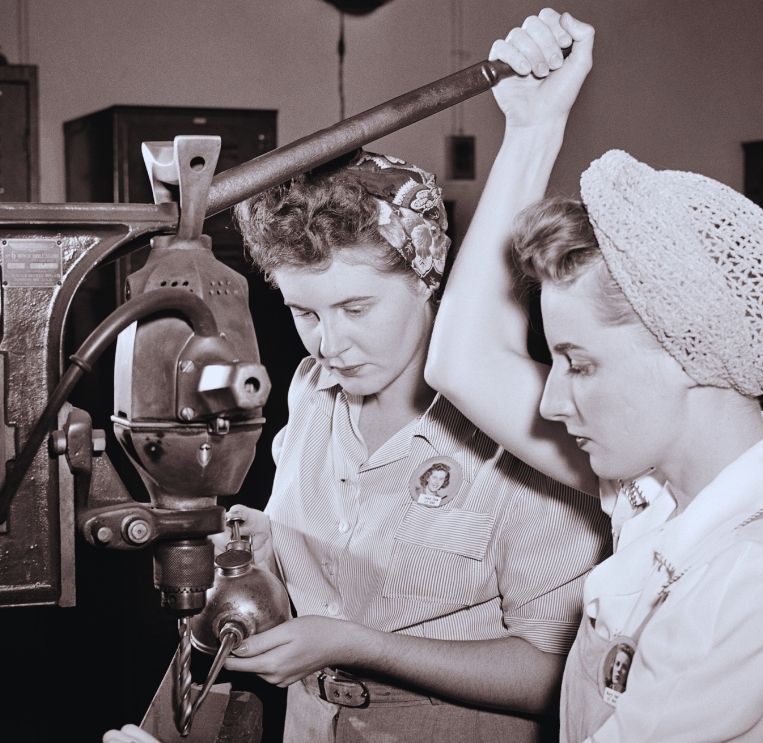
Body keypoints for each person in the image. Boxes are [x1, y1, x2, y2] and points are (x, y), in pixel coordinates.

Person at [150, 13, 602, 743]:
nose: (331, 342)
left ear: (427, 278)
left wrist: (358, 644)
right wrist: (261, 536)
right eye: (304, 311)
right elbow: (330, 552)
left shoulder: (525, 432)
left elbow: (555, 673)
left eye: (356, 306)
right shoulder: (308, 390)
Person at [425, 9, 763, 742]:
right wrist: (534, 129)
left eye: (579, 362)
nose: (549, 395)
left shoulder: (756, 574)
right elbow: (461, 363)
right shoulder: (661, 494)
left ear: (687, 349)